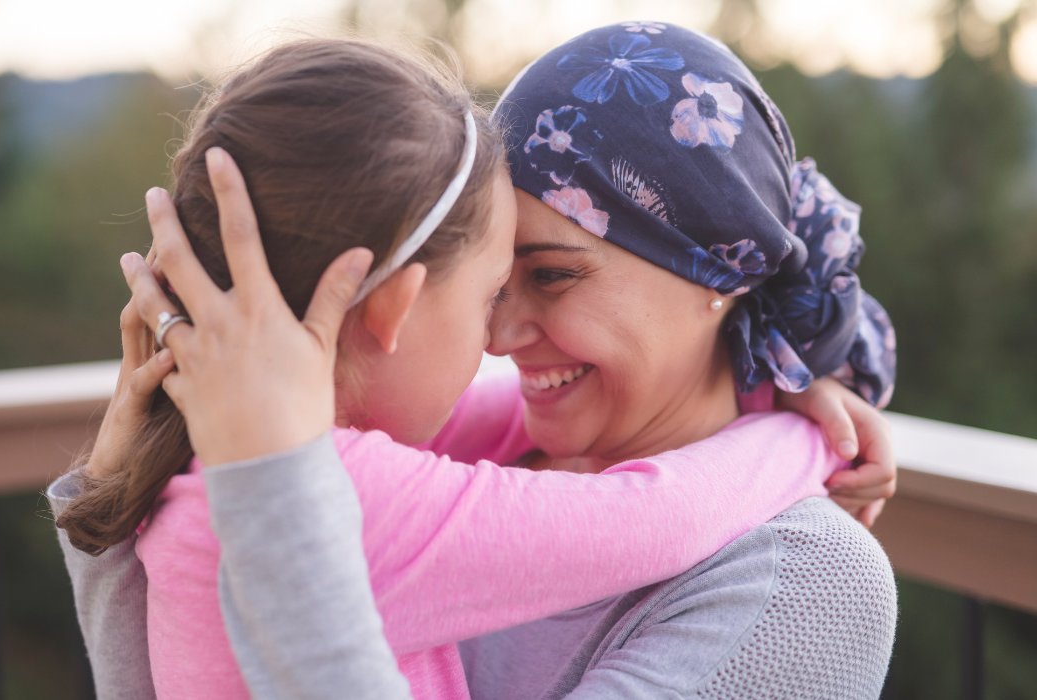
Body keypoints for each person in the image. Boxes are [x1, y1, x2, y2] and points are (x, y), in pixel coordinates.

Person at [48, 31, 896, 700]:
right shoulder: (413, 464)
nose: (498, 338)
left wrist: (779, 387)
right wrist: (798, 435)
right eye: (493, 285)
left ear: (716, 272)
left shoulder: (806, 583)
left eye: (553, 274)